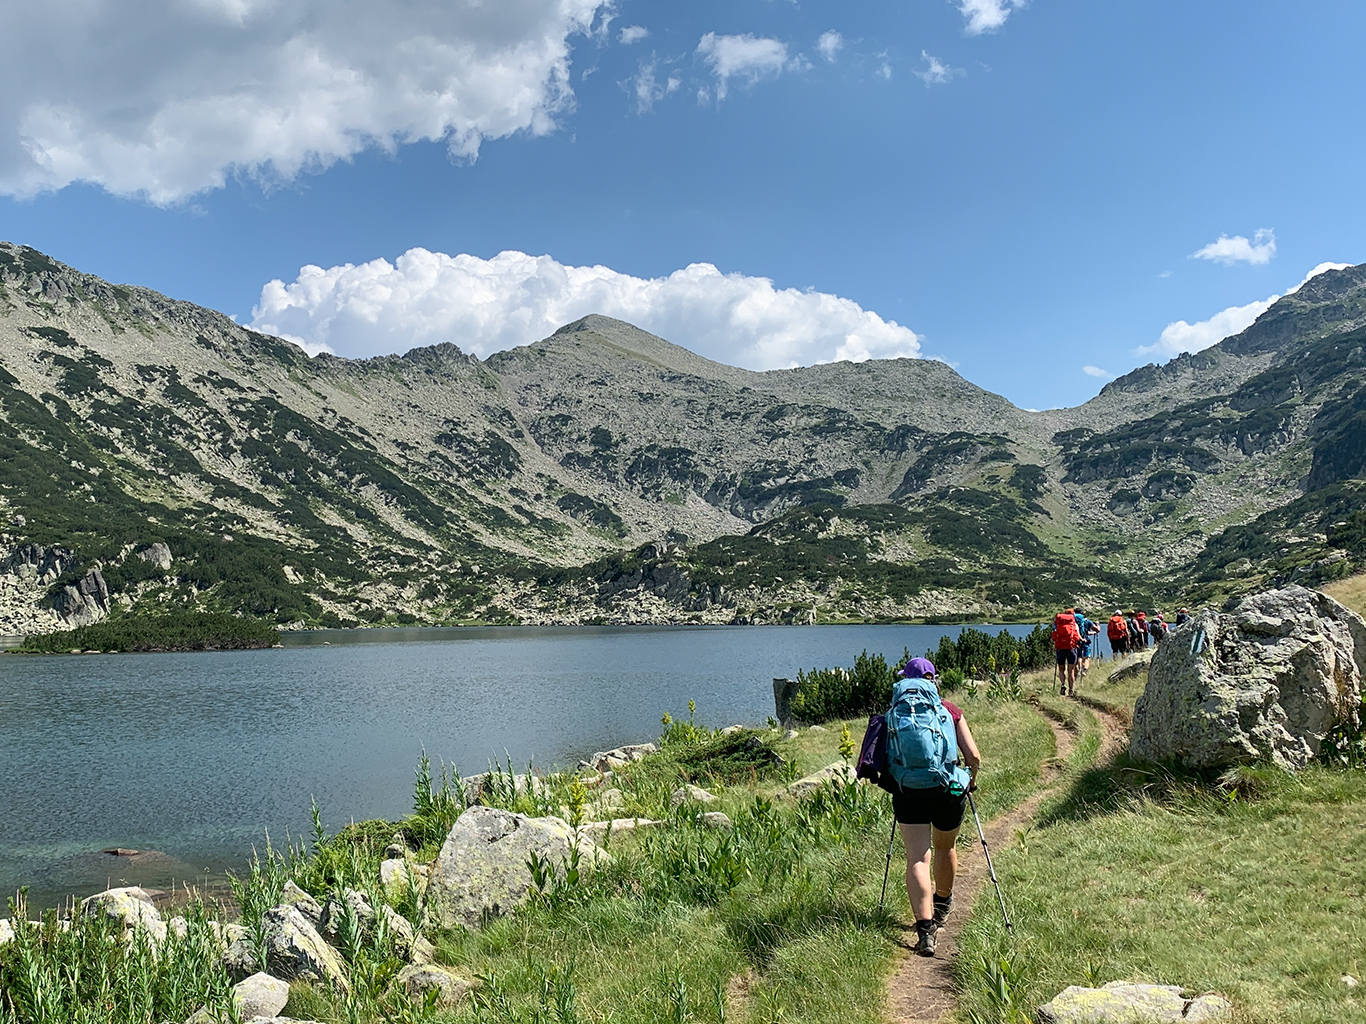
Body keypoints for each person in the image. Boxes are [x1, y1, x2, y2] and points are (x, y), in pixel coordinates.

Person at [890, 657, 981, 958]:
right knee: (945, 848)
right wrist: (971, 780)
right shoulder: (950, 710)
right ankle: (942, 902)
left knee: (917, 858)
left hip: (908, 790)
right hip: (946, 789)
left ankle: (925, 931)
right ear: (933, 678)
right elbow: (974, 757)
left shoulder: (895, 711)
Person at [1052, 608, 1082, 696]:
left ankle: (1062, 685)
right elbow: (1078, 637)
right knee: (1071, 670)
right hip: (1071, 648)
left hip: (1060, 648)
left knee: (1061, 669)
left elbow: (1054, 636)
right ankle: (1071, 690)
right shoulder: (1074, 625)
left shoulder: (1057, 624)